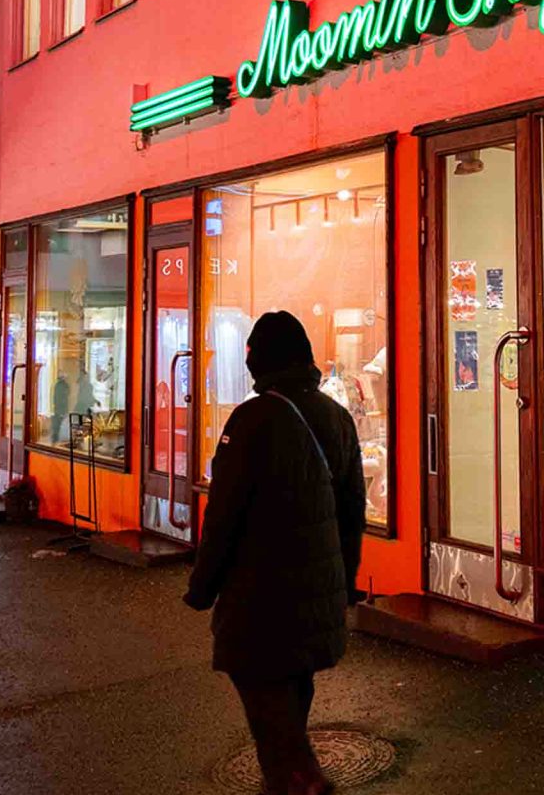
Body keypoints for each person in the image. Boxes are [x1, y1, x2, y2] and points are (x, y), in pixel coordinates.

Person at [183, 311, 366, 795]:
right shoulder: (338, 418)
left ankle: (302, 782)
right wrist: (345, 585)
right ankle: (293, 778)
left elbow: (222, 517)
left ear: (262, 361)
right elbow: (354, 515)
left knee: (269, 710)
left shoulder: (251, 420)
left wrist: (202, 587)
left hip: (260, 599)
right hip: (316, 597)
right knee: (292, 692)